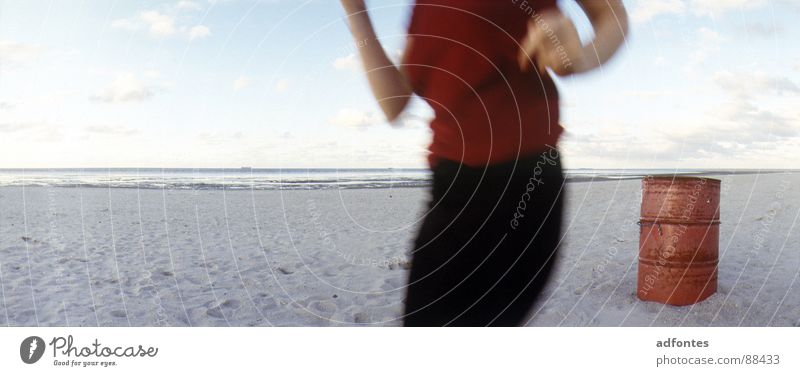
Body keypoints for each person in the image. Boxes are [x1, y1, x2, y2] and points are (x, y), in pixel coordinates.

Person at [340, 0, 628, 326]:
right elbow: (393, 103)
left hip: (521, 187)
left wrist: (578, 57)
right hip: (449, 190)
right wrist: (355, 11)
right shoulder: (421, 7)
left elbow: (612, 16)